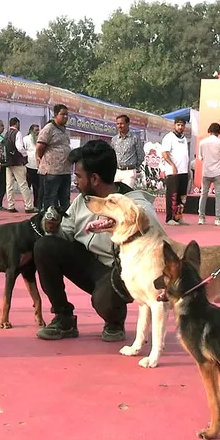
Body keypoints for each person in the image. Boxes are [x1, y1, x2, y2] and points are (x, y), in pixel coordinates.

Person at [34, 139, 158, 342]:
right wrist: (52, 229)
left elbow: (155, 243)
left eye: (78, 177)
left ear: (94, 179)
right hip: (88, 265)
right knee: (45, 246)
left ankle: (114, 320)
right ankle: (64, 317)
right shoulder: (83, 200)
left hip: (119, 272)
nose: (75, 182)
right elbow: (66, 234)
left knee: (103, 299)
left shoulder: (135, 206)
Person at [37, 104, 72, 210]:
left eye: (67, 114)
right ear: (56, 114)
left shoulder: (65, 130)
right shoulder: (48, 129)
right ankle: (49, 223)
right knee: (50, 199)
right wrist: (43, 159)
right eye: (63, 114)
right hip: (52, 172)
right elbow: (40, 147)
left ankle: (65, 223)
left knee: (65, 199)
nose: (65, 117)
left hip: (65, 171)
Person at [3, 117, 36, 213]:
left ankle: (11, 206)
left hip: (8, 163)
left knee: (9, 185)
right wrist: (25, 154)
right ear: (17, 123)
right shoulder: (18, 133)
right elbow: (19, 147)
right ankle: (28, 206)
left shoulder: (7, 133)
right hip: (17, 162)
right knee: (23, 184)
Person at [161, 117, 190, 225]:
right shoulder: (169, 137)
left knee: (182, 197)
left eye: (182, 125)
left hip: (184, 171)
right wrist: (172, 165)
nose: (180, 127)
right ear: (174, 125)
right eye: (178, 125)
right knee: (172, 196)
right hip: (173, 172)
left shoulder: (184, 138)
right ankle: (170, 218)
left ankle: (178, 217)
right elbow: (164, 153)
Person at [197, 122, 220, 226]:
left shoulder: (202, 142)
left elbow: (200, 157)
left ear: (209, 130)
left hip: (206, 172)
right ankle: (218, 219)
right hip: (218, 171)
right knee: (218, 196)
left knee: (203, 194)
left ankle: (201, 217)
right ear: (219, 131)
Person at [111, 114, 146, 188]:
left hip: (129, 172)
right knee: (114, 196)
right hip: (117, 172)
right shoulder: (114, 139)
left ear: (128, 124)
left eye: (121, 124)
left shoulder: (135, 138)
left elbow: (141, 155)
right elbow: (112, 154)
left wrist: (134, 167)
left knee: (126, 195)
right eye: (117, 124)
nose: (119, 126)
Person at [23, 124, 41, 210]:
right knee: (27, 186)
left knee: (37, 187)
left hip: (37, 166)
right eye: (36, 130)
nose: (37, 132)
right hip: (28, 165)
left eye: (38, 130)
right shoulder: (25, 139)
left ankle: (36, 205)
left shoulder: (40, 138)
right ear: (31, 131)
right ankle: (28, 205)